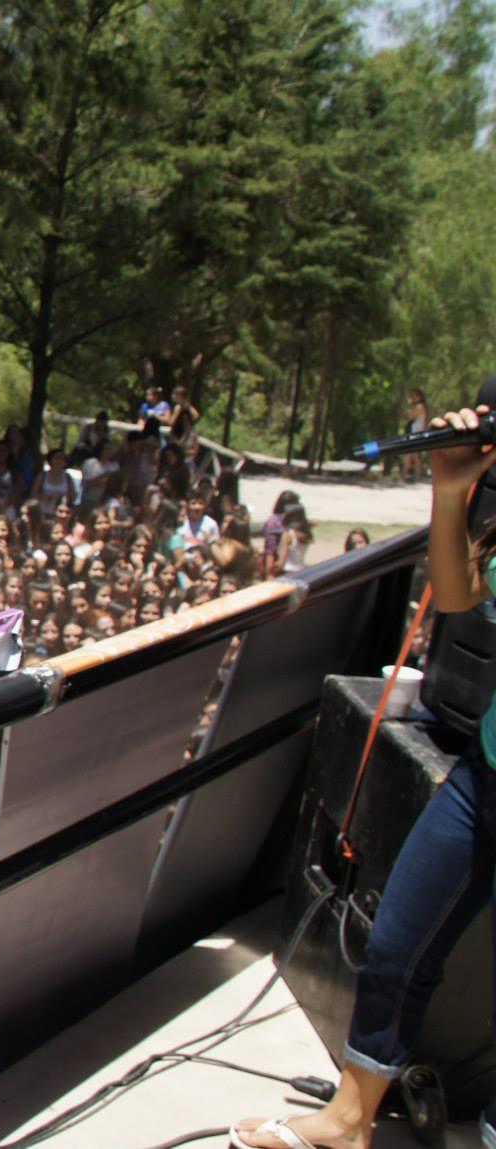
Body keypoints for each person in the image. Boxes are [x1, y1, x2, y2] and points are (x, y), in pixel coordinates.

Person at [231, 402, 495, 1149]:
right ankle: (351, 1119)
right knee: (397, 942)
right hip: (486, 775)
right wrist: (450, 490)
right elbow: (454, 595)